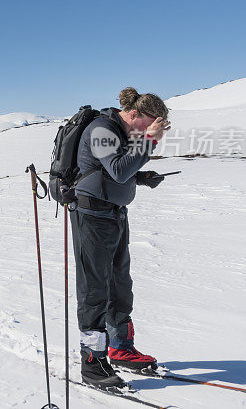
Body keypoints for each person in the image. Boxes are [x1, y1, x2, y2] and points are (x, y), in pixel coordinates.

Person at [70, 87, 171, 388]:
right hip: (92, 217)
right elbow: (116, 170)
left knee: (119, 285)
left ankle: (120, 349)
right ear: (134, 114)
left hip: (114, 215)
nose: (154, 130)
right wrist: (149, 140)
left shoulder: (125, 133)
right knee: (94, 289)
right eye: (152, 123)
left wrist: (142, 176)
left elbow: (117, 170)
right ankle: (92, 362)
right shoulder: (101, 129)